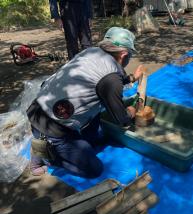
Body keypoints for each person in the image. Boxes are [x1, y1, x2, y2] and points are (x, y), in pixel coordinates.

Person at [27, 27, 144, 177]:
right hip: (54, 129)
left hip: (37, 109)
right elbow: (121, 119)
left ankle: (52, 143)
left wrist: (132, 78)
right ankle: (48, 156)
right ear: (124, 54)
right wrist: (132, 111)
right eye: (130, 54)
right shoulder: (110, 79)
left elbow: (103, 81)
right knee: (94, 169)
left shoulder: (91, 52)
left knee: (96, 123)